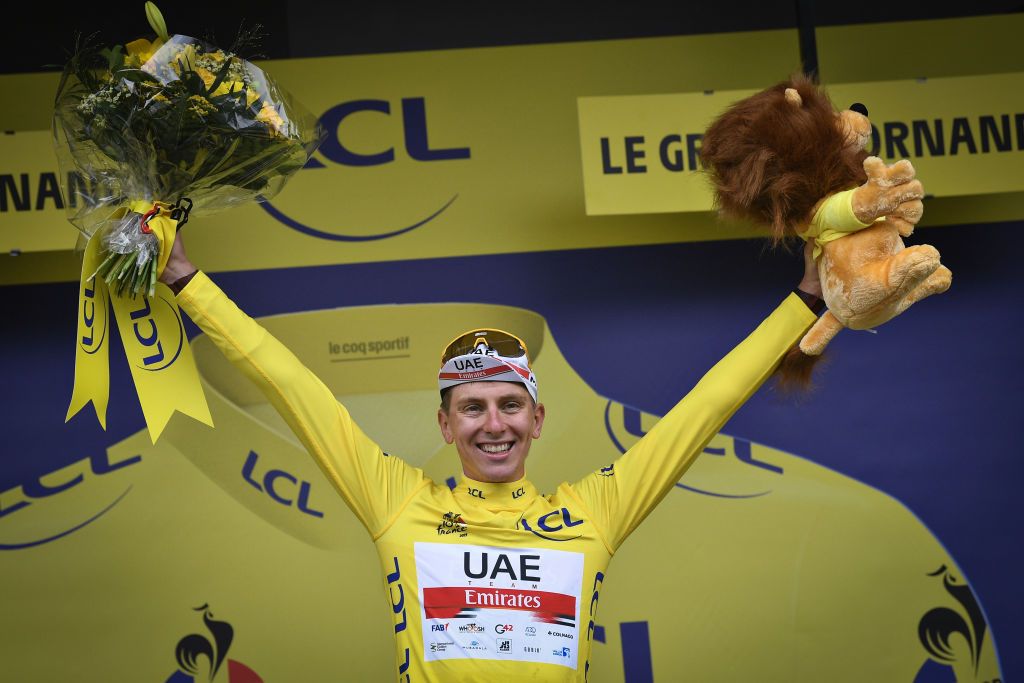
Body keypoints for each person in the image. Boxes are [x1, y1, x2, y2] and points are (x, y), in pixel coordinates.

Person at [159, 236, 823, 682]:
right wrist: (186, 281)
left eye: (510, 404)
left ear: (537, 418)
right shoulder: (400, 502)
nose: (493, 423)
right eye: (472, 407)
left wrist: (808, 300)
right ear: (445, 424)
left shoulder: (592, 511)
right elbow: (289, 384)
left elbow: (704, 408)